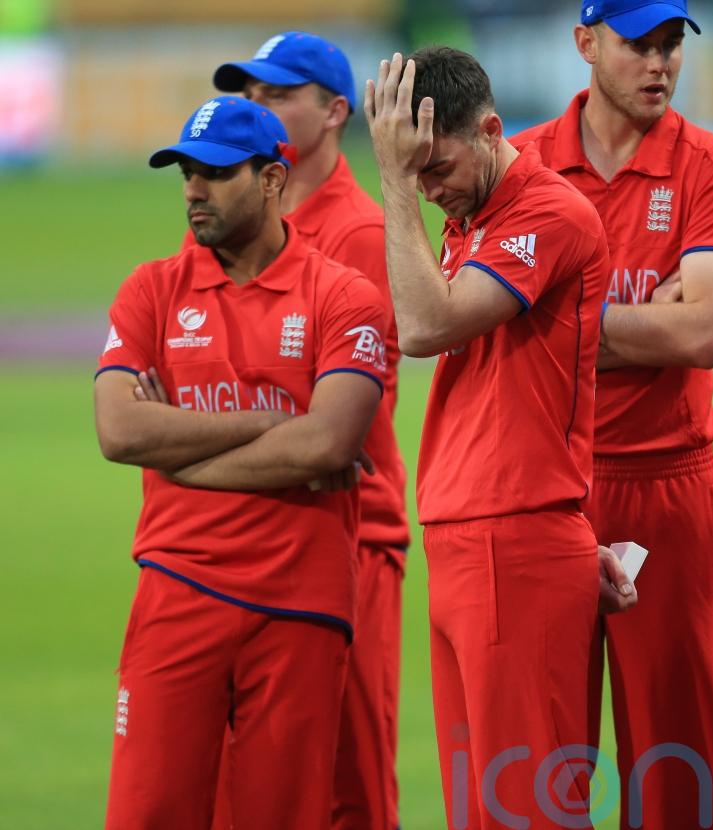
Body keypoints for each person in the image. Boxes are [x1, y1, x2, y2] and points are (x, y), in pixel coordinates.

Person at [94, 95, 388, 830]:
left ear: (271, 180)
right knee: (146, 813)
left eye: (216, 173)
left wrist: (180, 449)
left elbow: (328, 444)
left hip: (301, 606)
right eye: (186, 173)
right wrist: (269, 426)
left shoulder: (344, 296)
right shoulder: (150, 290)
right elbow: (120, 432)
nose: (194, 190)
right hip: (177, 588)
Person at [366, 46, 632, 828]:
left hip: (514, 543)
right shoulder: (468, 221)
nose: (427, 187)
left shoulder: (547, 212)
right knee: (481, 814)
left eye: (437, 167)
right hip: (464, 541)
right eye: (414, 173)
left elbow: (424, 326)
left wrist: (388, 180)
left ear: (491, 129)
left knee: (529, 811)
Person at [513, 2, 713, 827]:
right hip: (546, 495)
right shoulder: (519, 164)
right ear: (584, 42)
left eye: (671, 45)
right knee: (538, 770)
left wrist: (550, 321)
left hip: (668, 490)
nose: (659, 64)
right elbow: (467, 325)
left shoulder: (712, 166)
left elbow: (707, 329)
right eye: (636, 44)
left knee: (678, 772)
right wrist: (647, 322)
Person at [208, 31, 410, 830]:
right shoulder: (237, 222)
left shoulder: (359, 236)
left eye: (278, 95)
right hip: (250, 535)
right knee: (247, 781)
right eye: (250, 96)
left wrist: (189, 443)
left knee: (348, 780)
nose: (258, 108)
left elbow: (338, 432)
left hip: (349, 538)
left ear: (334, 113)